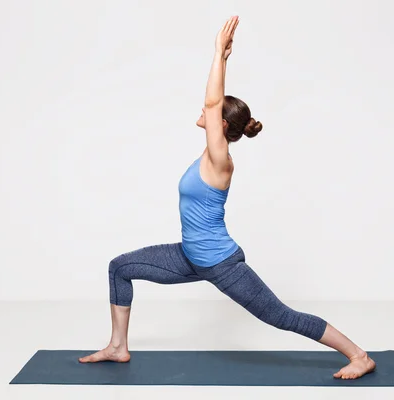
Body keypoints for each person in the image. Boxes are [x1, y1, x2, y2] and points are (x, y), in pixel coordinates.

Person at [79, 15, 376, 380]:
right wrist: (222, 61)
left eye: (212, 113)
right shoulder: (207, 156)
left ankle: (359, 355)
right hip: (189, 256)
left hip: (220, 263)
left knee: (281, 316)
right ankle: (118, 347)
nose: (203, 111)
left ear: (222, 125)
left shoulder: (221, 161)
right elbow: (213, 104)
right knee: (120, 268)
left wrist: (218, 53)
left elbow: (212, 100)